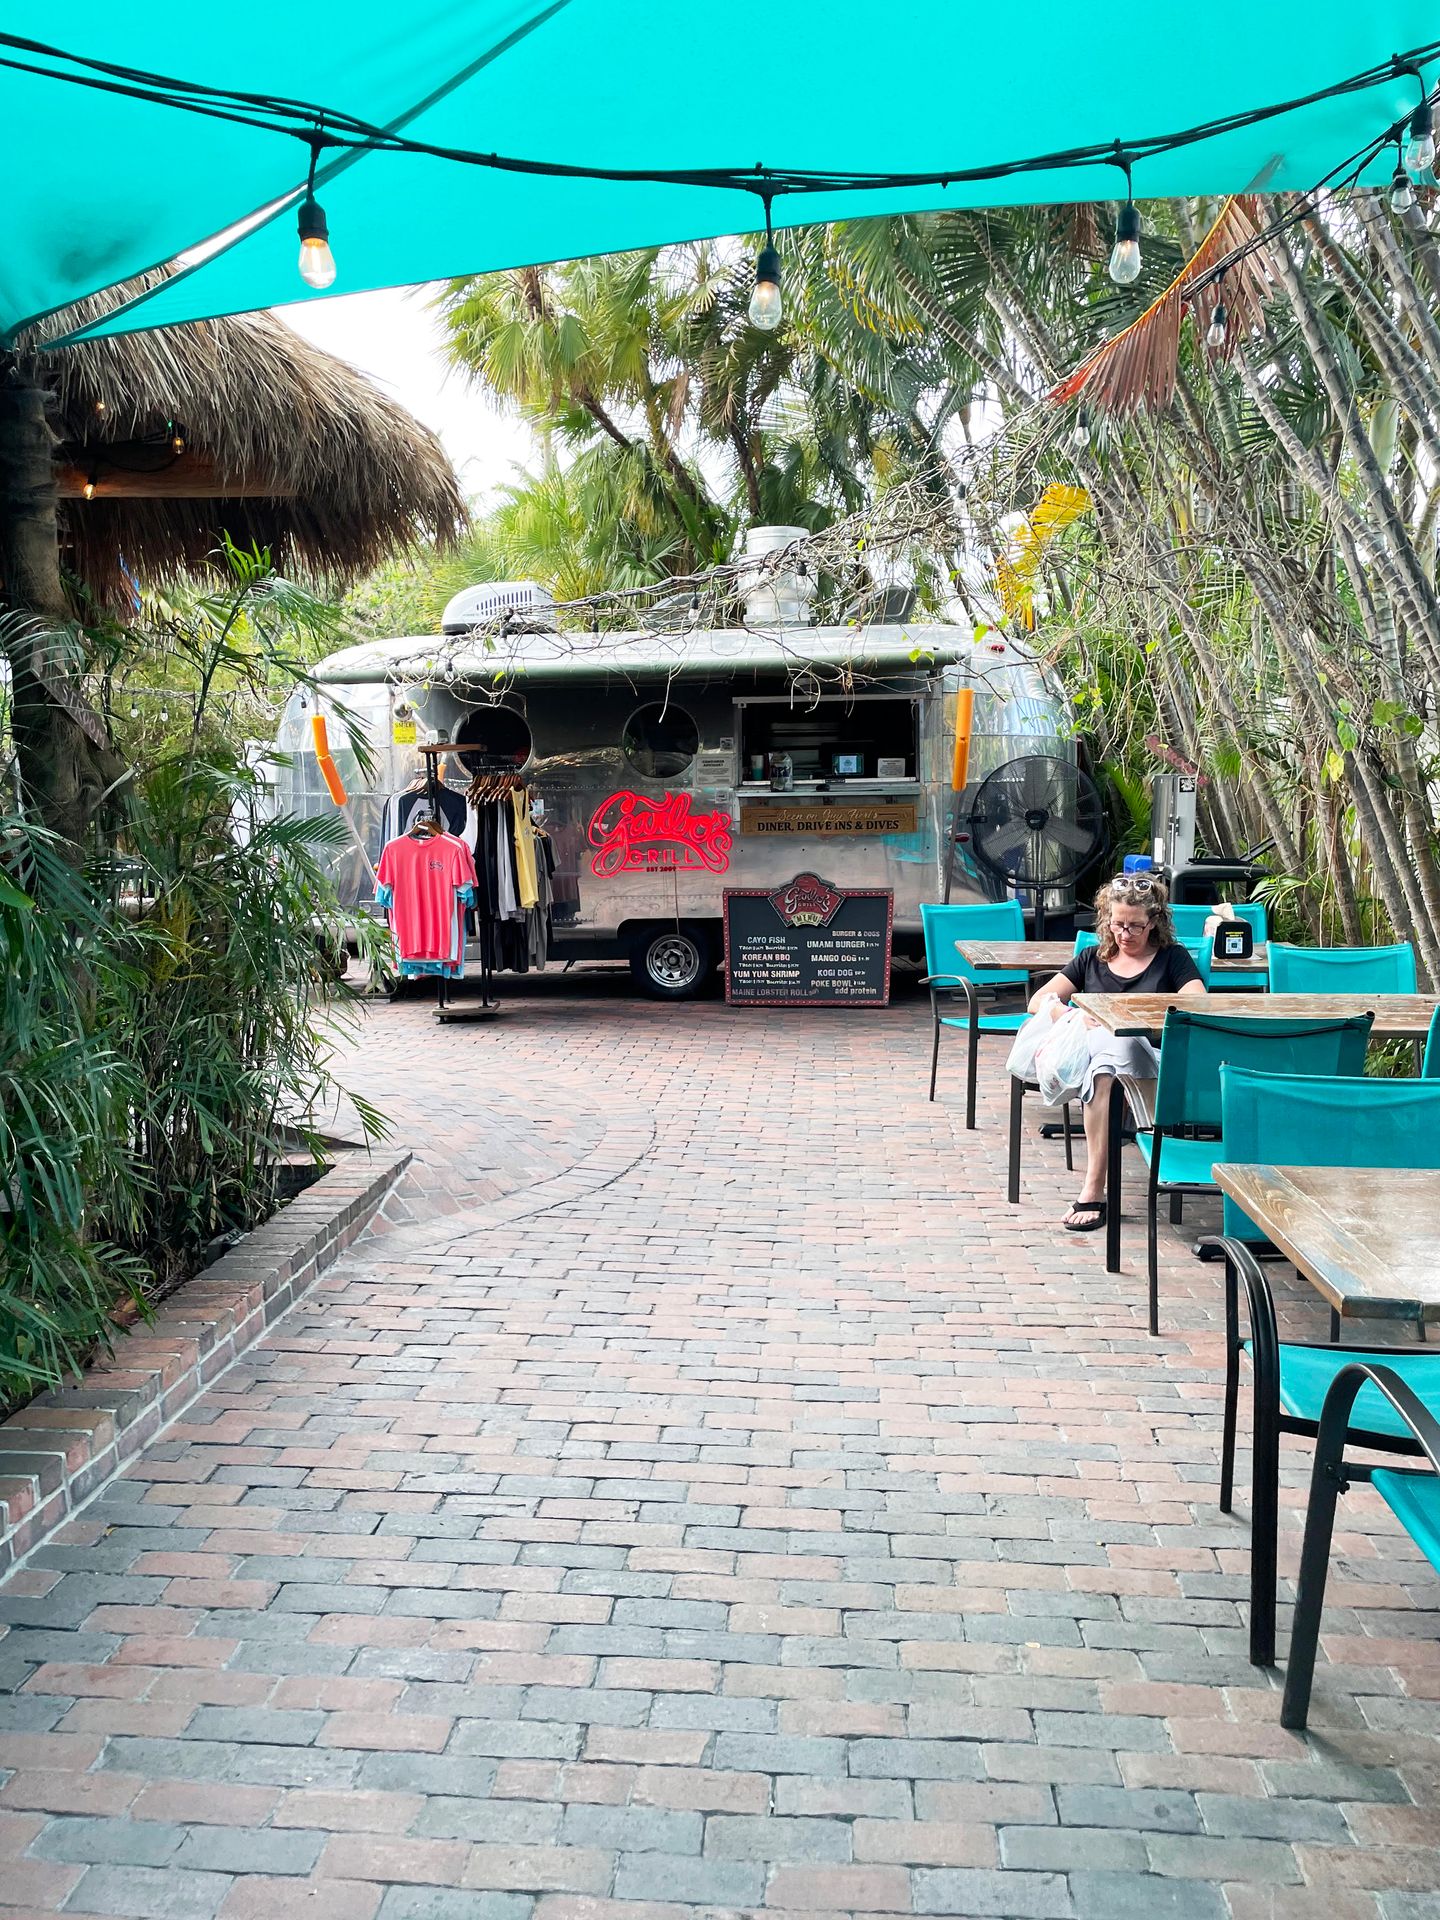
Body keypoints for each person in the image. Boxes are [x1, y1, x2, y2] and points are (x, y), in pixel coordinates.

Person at [1028, 874, 1206, 1232]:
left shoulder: (1172, 958)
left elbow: (1199, 1003)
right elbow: (1038, 1001)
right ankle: (1096, 1181)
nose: (1125, 934)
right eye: (1118, 924)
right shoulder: (1091, 959)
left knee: (1115, 1046)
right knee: (1107, 1058)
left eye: (1135, 926)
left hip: (1153, 1062)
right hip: (1101, 1067)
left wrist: (1138, 1015)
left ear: (1154, 922)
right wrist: (1075, 1015)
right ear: (1107, 921)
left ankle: (1093, 1190)